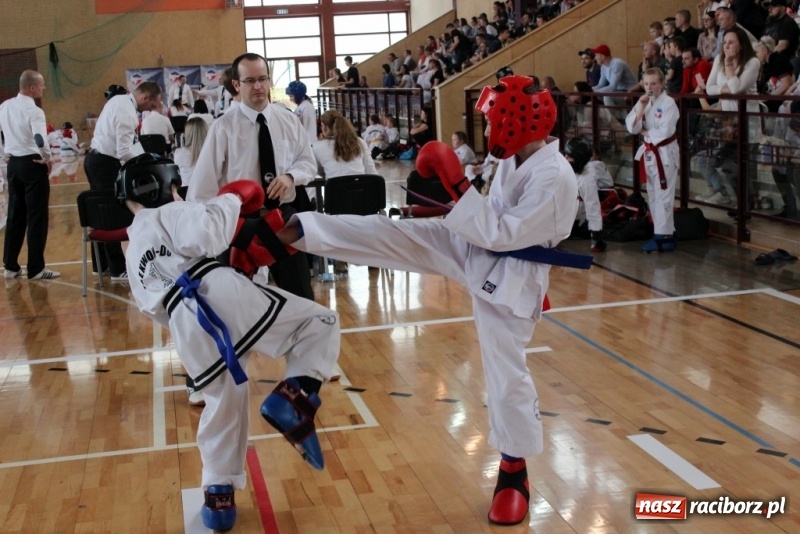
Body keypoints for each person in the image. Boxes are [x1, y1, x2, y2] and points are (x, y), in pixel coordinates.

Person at [275, 75, 584, 527]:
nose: (488, 128)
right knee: (394, 233)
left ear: (516, 122)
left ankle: (514, 471)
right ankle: (297, 232)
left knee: (506, 372)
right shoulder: (517, 158)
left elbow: (502, 234)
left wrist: (455, 186)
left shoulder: (555, 176)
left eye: (492, 120)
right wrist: (442, 208)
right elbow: (489, 218)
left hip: (513, 277)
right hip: (479, 245)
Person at [117, 154, 339, 532]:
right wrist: (232, 198)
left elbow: (150, 307)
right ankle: (294, 397)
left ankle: (218, 496)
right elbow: (209, 233)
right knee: (318, 323)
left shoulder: (134, 246)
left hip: (185, 324)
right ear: (167, 186)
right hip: (216, 290)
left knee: (223, 404)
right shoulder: (171, 211)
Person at [188, 52, 317, 301]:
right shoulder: (223, 127)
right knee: (233, 303)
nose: (258, 86)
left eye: (262, 79)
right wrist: (210, 232)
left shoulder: (288, 120)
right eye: (250, 81)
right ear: (237, 85)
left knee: (301, 296)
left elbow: (308, 163)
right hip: (239, 223)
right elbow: (201, 188)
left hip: (282, 218)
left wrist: (290, 177)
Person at [85, 80, 161, 282]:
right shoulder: (127, 112)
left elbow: (131, 144)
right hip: (104, 163)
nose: (151, 109)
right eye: (152, 105)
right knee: (111, 215)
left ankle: (101, 266)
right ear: (145, 97)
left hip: (94, 159)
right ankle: (118, 269)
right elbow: (124, 151)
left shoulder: (118, 101)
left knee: (100, 213)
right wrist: (147, 164)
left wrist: (145, 156)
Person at [0, 70, 59, 280]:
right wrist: (47, 158)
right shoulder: (35, 111)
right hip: (33, 164)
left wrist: (4, 155)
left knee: (15, 215)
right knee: (37, 216)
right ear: (32, 88)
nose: (43, 88)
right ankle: (36, 269)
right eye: (41, 85)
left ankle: (10, 266)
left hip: (14, 165)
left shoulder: (5, 106)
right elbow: (39, 138)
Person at [625, 68, 680, 252]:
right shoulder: (644, 101)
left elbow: (665, 131)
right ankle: (664, 231)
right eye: (647, 84)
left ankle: (663, 237)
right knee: (653, 195)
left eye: (654, 83)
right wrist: (641, 108)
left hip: (664, 155)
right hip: (649, 155)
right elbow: (632, 127)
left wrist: (645, 132)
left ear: (662, 84)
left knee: (663, 195)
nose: (650, 88)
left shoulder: (669, 103)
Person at [564, 137, 608, 252]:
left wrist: (596, 236)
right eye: (565, 155)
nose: (565, 158)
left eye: (569, 156)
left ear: (578, 159)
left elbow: (592, 206)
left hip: (573, 214)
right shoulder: (563, 165)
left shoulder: (587, 179)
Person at [315, 110, 377, 179]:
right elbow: (371, 170)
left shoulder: (318, 147)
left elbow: (319, 170)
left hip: (334, 185)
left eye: (321, 126)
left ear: (325, 128)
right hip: (360, 184)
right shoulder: (359, 142)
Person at [172, 117, 208, 186]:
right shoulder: (213, 153)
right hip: (208, 191)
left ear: (186, 134)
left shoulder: (178, 153)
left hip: (185, 191)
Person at [286, 80, 317, 146]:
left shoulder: (306, 107)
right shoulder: (303, 106)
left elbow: (306, 127)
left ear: (298, 95)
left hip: (309, 143)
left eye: (291, 96)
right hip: (305, 142)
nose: (290, 99)